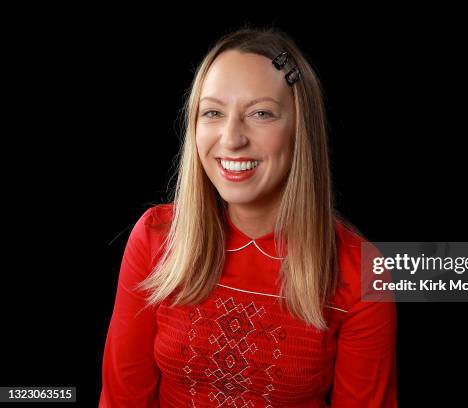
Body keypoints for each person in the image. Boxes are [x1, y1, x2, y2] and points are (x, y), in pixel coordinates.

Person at [99, 27, 397, 407]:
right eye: (213, 113)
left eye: (260, 113)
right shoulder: (156, 236)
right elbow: (121, 397)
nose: (231, 137)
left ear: (300, 130)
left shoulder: (362, 271)